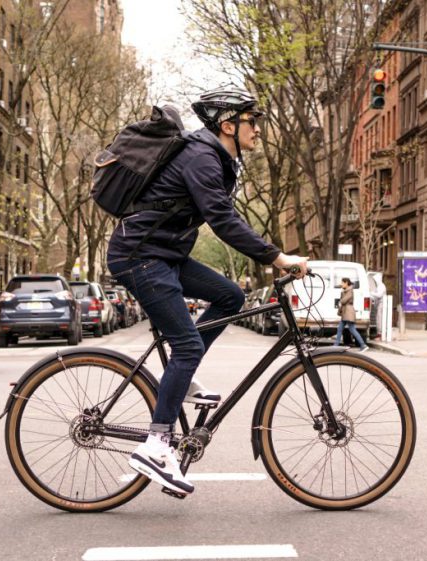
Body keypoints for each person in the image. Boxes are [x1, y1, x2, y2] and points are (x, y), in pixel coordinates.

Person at [106, 85, 308, 495]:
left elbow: (221, 213)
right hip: (140, 257)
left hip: (165, 255)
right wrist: (276, 257)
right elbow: (222, 219)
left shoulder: (214, 156)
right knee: (187, 346)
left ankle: (179, 380)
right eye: (253, 121)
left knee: (230, 296)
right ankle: (157, 445)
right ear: (228, 125)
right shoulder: (201, 156)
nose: (259, 129)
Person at [335, 277, 369, 352]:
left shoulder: (349, 291)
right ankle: (335, 345)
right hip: (346, 312)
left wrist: (340, 301)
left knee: (352, 329)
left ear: (346, 283)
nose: (341, 284)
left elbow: (343, 301)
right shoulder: (345, 291)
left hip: (348, 312)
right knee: (340, 328)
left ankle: (363, 345)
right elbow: (342, 303)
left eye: (342, 283)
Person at [370, 272, 386, 340]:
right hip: (378, 304)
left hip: (381, 304)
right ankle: (379, 333)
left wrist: (371, 293)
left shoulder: (381, 286)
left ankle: (381, 333)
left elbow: (379, 295)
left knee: (380, 319)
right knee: (378, 319)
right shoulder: (379, 286)